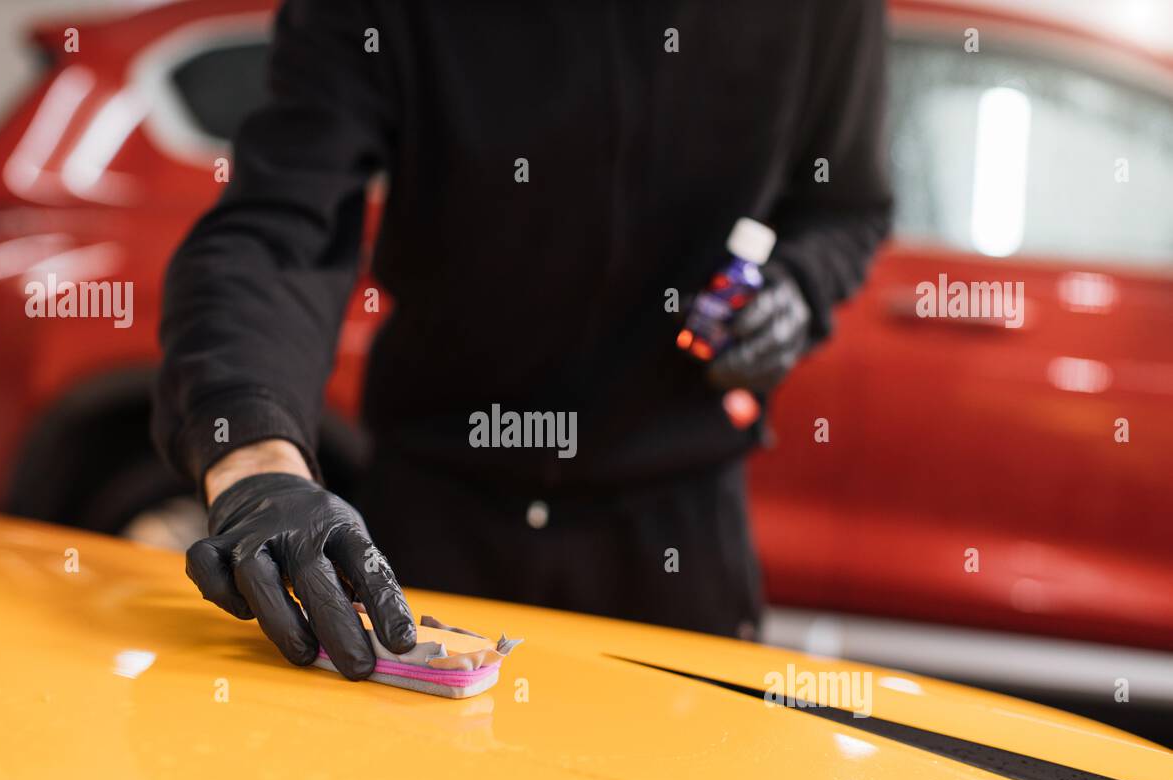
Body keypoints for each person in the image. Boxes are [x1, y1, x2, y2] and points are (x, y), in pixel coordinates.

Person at [152, 0, 892, 679]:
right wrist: (255, 459)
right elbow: (278, 227)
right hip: (440, 512)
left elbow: (846, 205)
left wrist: (797, 286)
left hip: (675, 535)